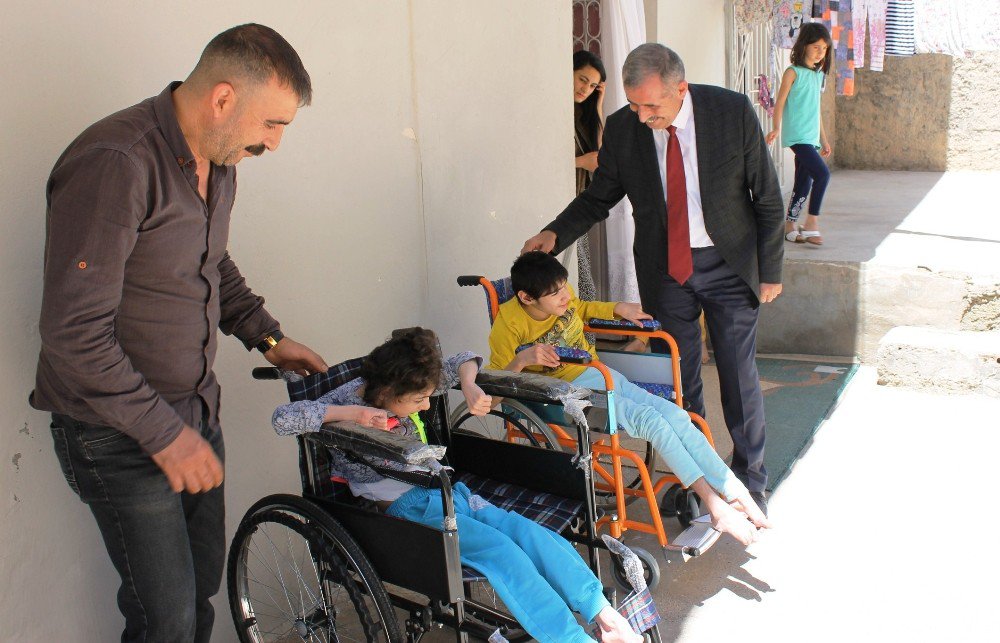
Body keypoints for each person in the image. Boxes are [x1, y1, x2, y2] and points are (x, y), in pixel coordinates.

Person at [31, 24, 327, 642]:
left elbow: (208, 260)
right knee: (162, 621)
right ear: (223, 99)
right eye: (272, 125)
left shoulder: (219, 160)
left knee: (198, 600)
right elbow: (73, 333)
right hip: (120, 435)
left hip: (193, 417)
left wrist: (269, 338)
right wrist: (166, 435)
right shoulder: (117, 160)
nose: (273, 144)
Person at [521, 43, 784, 515]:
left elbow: (765, 194)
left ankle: (750, 481)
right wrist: (554, 233)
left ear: (680, 89)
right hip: (666, 271)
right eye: (634, 104)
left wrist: (770, 271)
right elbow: (599, 198)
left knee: (738, 375)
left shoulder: (730, 111)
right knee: (681, 379)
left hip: (729, 265)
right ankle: (701, 482)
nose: (642, 116)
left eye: (652, 106)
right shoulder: (624, 128)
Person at [271, 328, 642, 643]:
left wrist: (468, 384)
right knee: (503, 553)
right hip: (410, 505)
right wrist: (352, 417)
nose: (425, 406)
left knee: (528, 532)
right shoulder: (352, 396)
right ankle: (570, 639)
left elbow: (464, 358)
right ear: (385, 392)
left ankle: (601, 611)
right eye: (418, 401)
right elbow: (285, 417)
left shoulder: (409, 380)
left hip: (449, 491)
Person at [489, 252, 771, 547]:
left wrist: (618, 308)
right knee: (653, 423)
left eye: (564, 287)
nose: (565, 296)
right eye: (555, 293)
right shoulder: (507, 326)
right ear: (526, 297)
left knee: (676, 415)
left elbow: (581, 308)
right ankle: (714, 505)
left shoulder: (564, 296)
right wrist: (522, 360)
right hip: (567, 395)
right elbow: (496, 390)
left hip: (603, 376)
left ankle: (736, 492)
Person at [766, 22, 833, 246]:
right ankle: (812, 222)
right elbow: (780, 102)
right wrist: (776, 127)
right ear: (804, 45)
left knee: (803, 184)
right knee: (822, 174)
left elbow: (816, 111)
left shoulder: (817, 75)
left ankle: (790, 226)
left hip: (811, 139)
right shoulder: (792, 72)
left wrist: (823, 140)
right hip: (797, 137)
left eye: (824, 48)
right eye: (816, 47)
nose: (820, 52)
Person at [572, 50, 607, 304]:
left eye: (593, 85)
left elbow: (602, 156)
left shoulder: (582, 116)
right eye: (582, 79)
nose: (586, 88)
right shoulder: (556, 113)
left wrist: (598, 105)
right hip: (562, 208)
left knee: (582, 286)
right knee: (582, 287)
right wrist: (580, 162)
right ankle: (585, 343)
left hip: (576, 207)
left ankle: (584, 343)